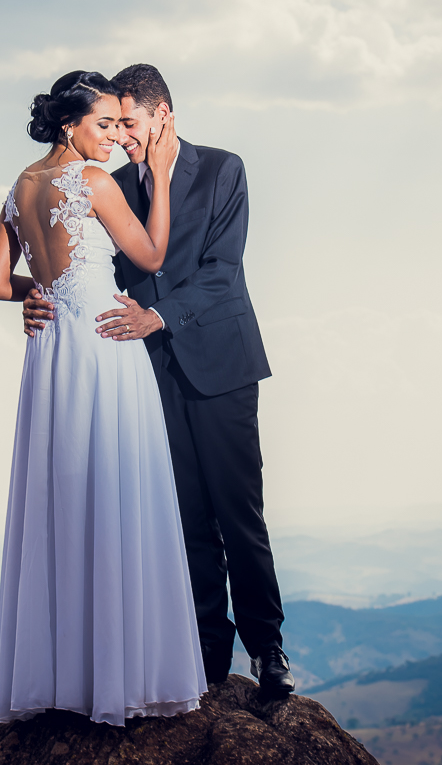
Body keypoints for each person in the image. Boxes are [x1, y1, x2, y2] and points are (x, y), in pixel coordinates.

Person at [23, 64, 295, 697]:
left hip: (221, 365)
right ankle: (206, 655)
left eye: (130, 123)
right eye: (113, 125)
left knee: (239, 514)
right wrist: (35, 296)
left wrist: (159, 314)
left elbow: (223, 269)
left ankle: (268, 649)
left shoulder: (223, 168)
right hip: (146, 371)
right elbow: (81, 266)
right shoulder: (110, 183)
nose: (120, 136)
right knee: (185, 518)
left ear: (162, 115)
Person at [0, 70, 206, 726]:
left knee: (63, 499)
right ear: (68, 125)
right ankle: (118, 678)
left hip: (51, 351)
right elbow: (153, 255)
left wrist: (41, 292)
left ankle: (66, 678)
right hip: (105, 343)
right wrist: (158, 173)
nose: (112, 137)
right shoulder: (93, 181)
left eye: (117, 125)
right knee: (115, 492)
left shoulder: (19, 187)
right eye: (102, 124)